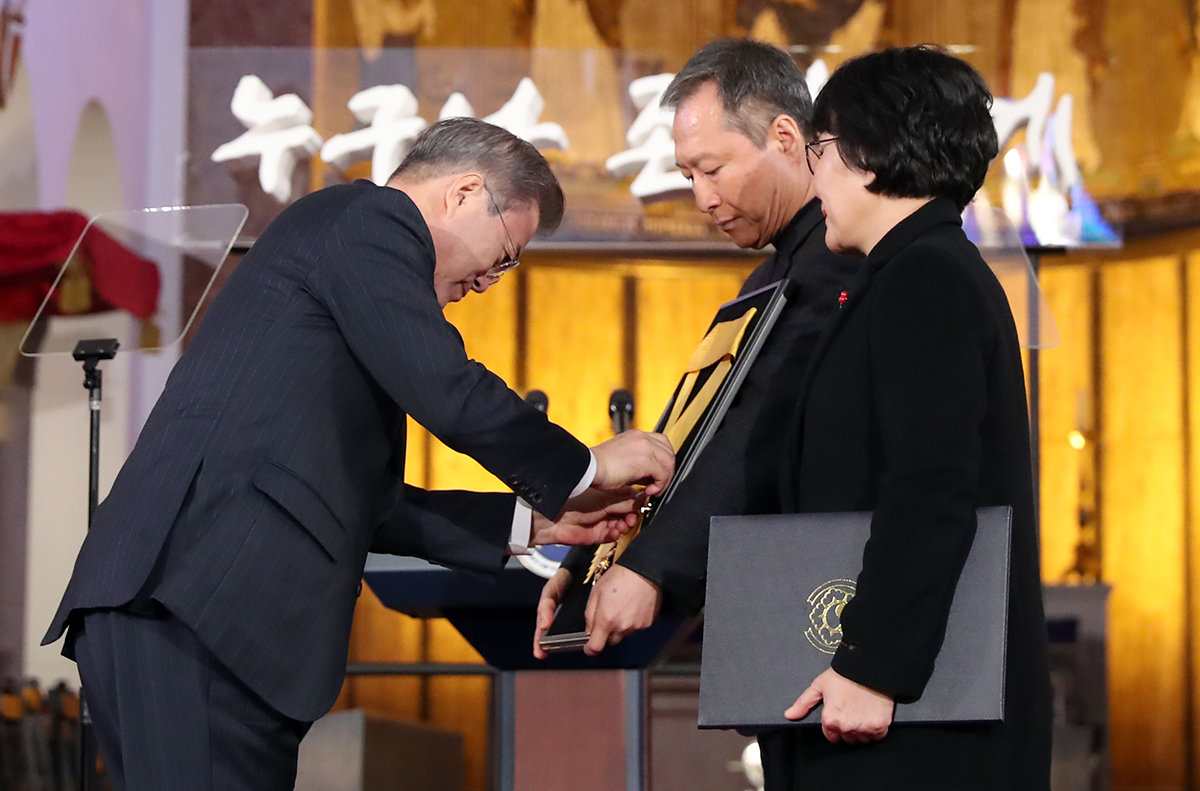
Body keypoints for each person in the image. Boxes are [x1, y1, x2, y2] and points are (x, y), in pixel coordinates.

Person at [42, 117, 674, 791]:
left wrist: (536, 524)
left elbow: (373, 502)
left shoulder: (349, 265)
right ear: (463, 193)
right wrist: (588, 467)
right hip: (192, 600)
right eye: (505, 252)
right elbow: (447, 388)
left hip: (212, 617)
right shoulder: (369, 218)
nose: (493, 279)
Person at [766, 46, 1052, 789]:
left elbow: (930, 486)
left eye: (820, 150)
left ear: (864, 154)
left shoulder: (924, 277)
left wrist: (873, 663)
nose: (813, 175)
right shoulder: (919, 270)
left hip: (912, 723)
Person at [533, 38, 860, 657]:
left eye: (713, 169)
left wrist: (652, 567)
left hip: (831, 601)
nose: (702, 197)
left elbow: (757, 428)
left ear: (786, 138)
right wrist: (589, 558)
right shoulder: (772, 274)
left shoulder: (839, 263)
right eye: (688, 176)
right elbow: (692, 428)